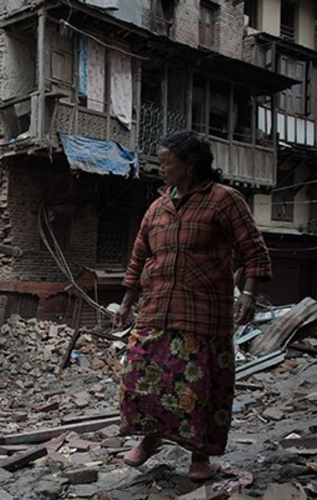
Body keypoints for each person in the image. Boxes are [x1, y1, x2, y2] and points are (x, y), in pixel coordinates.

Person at [113, 131, 271, 481]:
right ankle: (151, 438)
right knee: (142, 378)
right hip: (156, 309)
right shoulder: (157, 206)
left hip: (203, 314)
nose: (161, 168)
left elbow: (253, 250)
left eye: (167, 162)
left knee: (200, 387)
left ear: (191, 164)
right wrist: (126, 303)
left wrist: (247, 293)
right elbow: (139, 257)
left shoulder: (224, 200)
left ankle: (200, 457)